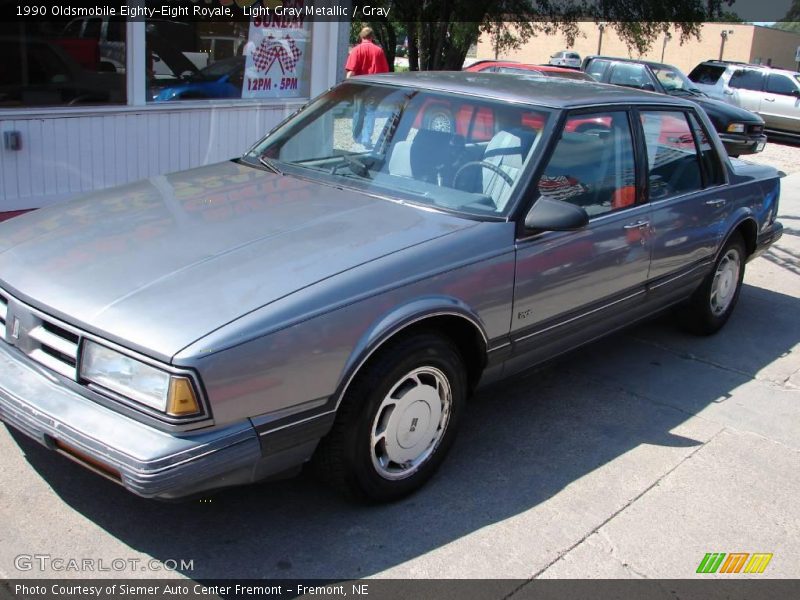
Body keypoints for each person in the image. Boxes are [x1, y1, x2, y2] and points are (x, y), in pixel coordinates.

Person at [345, 27, 389, 148]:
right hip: (374, 88)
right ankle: (366, 138)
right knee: (371, 112)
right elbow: (385, 72)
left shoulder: (356, 50)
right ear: (372, 37)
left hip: (359, 87)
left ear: (361, 36)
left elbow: (351, 73)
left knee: (358, 112)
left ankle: (356, 136)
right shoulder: (378, 51)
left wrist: (346, 87)